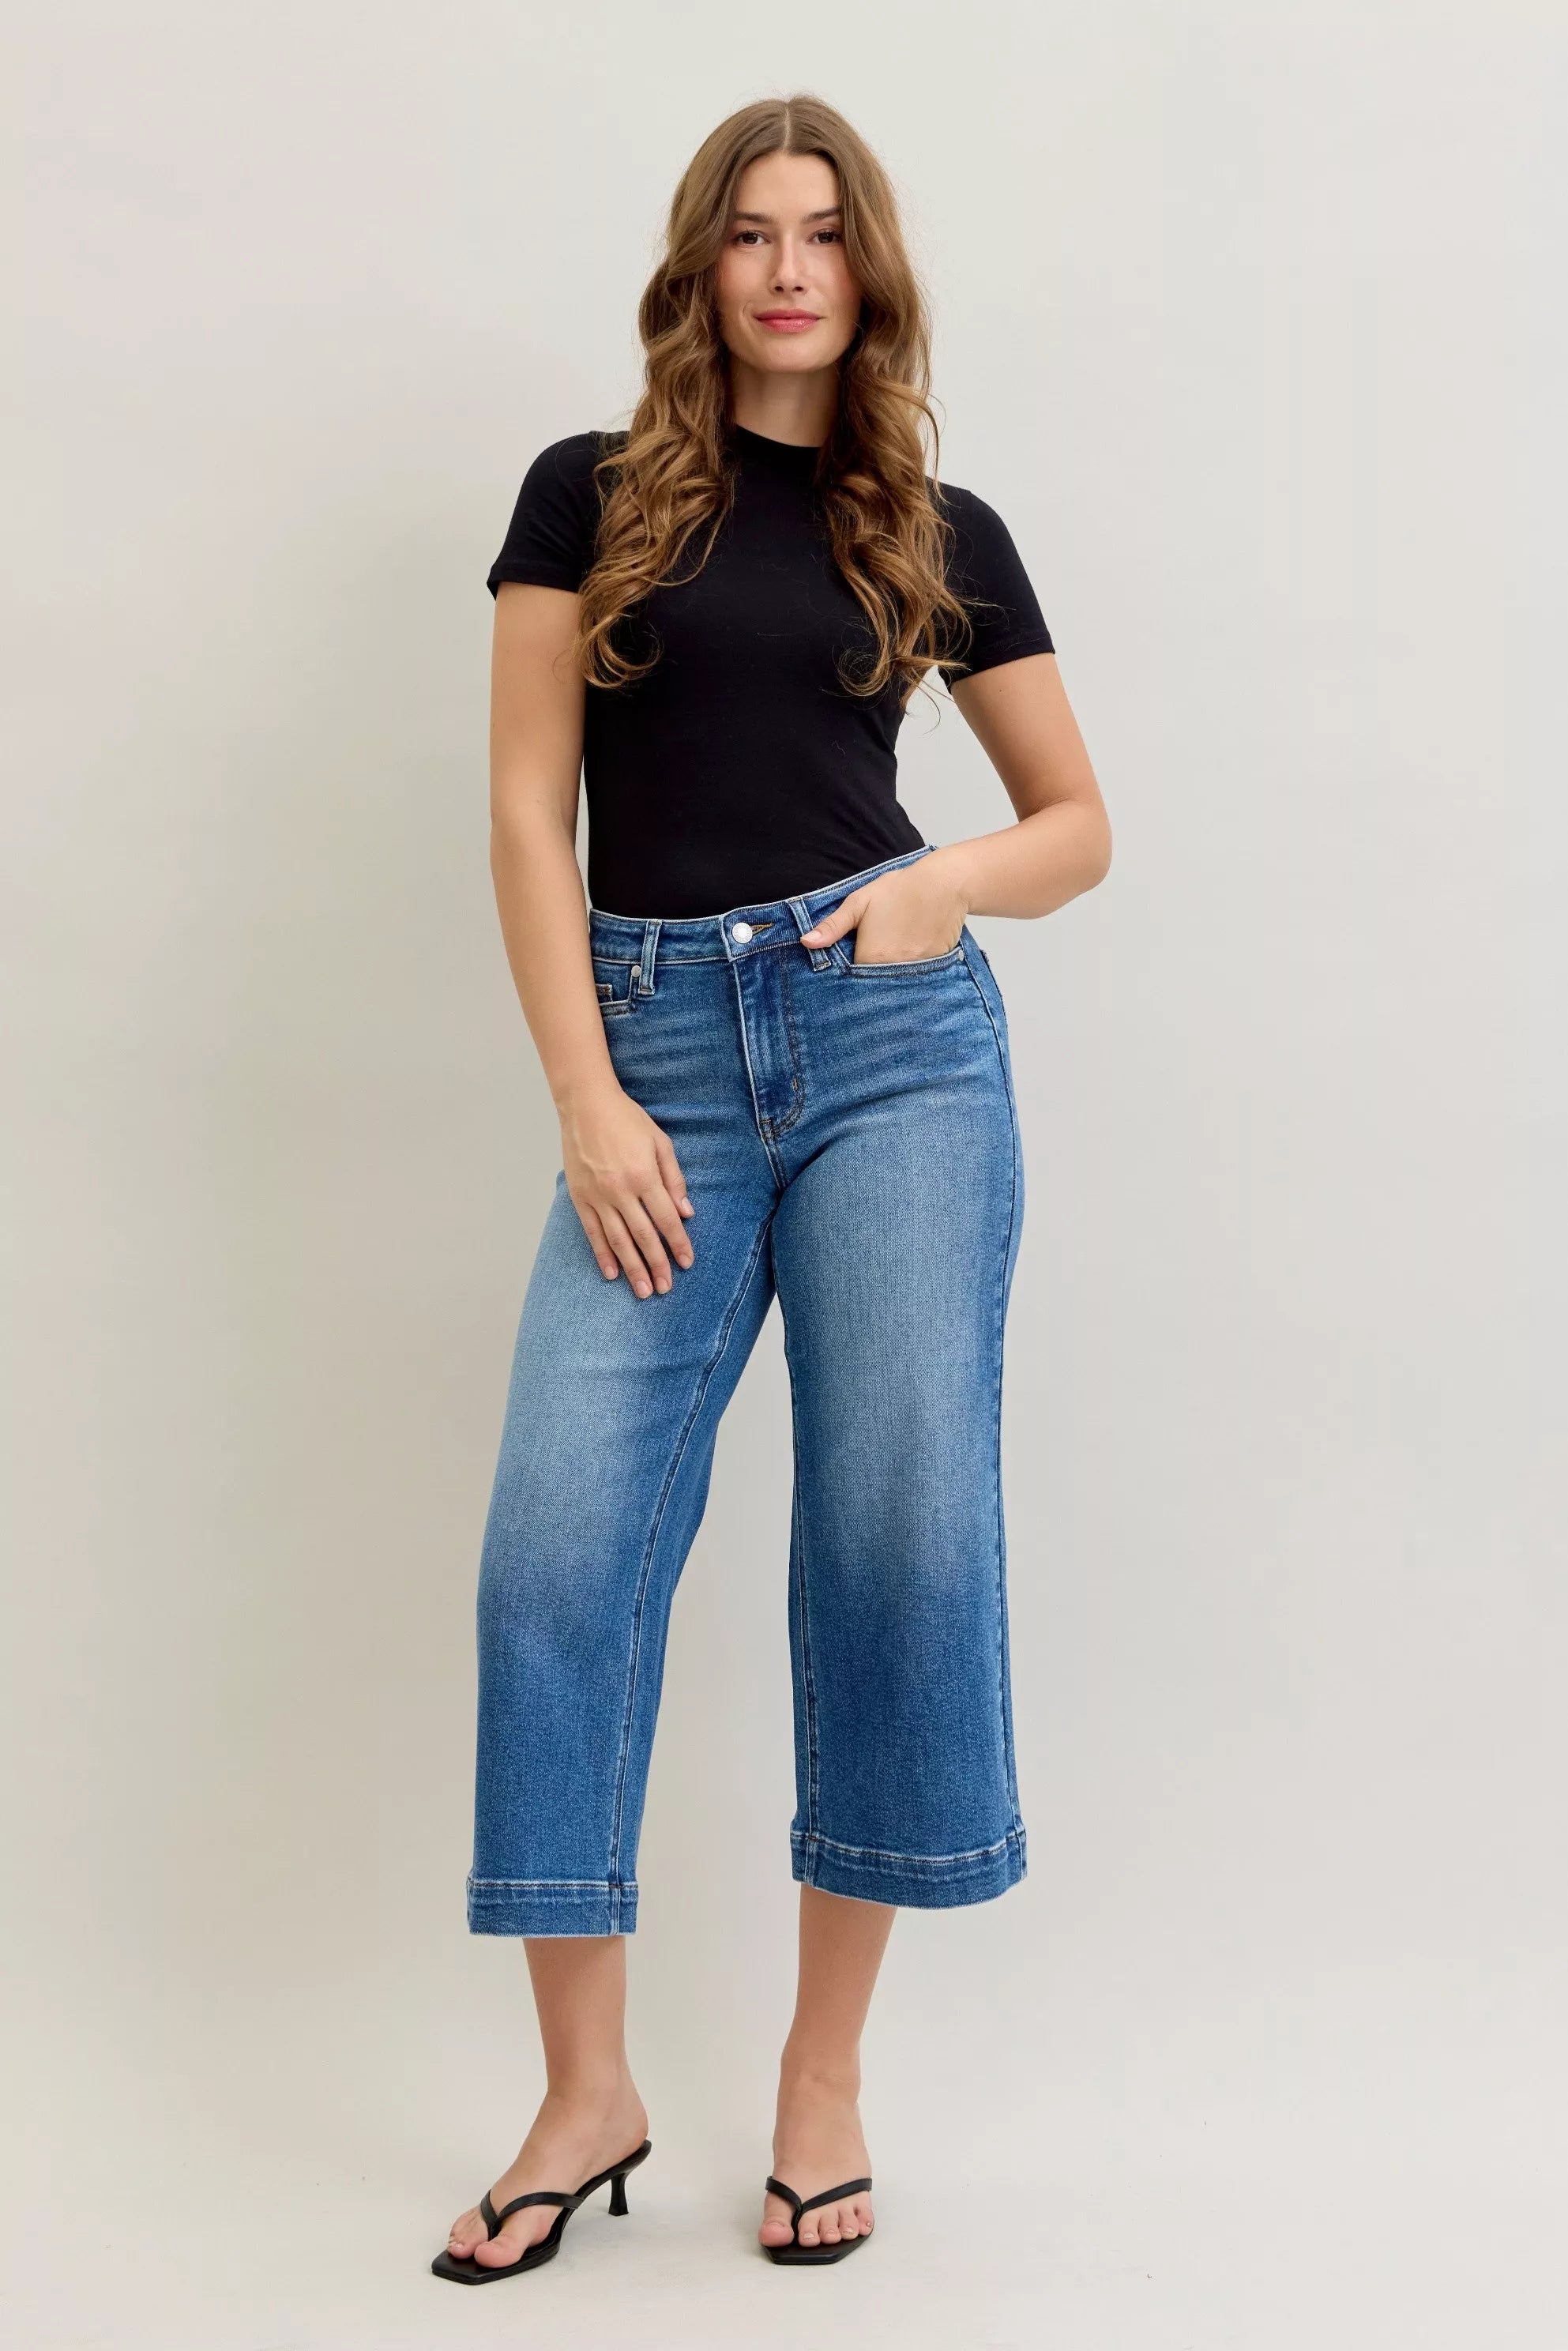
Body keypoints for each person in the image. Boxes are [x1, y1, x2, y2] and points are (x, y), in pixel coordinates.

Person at [433, 92, 1111, 2285]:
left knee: (894, 1533)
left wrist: (940, 892)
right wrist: (586, 1094)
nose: (788, 265)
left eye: (823, 231)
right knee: (555, 1548)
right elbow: (531, 816)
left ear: (866, 265)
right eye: (750, 231)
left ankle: (821, 2084)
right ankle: (585, 2093)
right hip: (652, 1065)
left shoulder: (938, 518)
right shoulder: (592, 496)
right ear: (700, 266)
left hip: (892, 1053)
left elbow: (1074, 822)